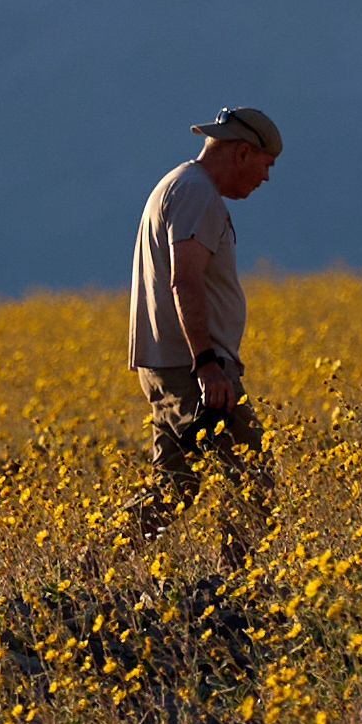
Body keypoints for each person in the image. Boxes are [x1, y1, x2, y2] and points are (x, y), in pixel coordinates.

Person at [124, 105, 282, 565]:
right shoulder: (196, 194)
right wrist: (207, 364)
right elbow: (185, 280)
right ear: (242, 153)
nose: (265, 179)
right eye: (265, 166)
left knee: (173, 488)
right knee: (253, 479)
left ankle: (85, 576)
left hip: (172, 366)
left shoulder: (180, 186)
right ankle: (244, 586)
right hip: (191, 369)